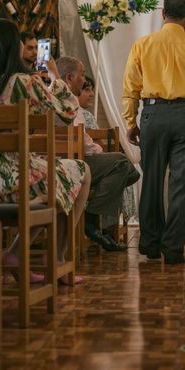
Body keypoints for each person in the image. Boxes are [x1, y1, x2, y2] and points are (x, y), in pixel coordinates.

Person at [0, 19, 91, 285]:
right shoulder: (21, 82)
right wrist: (54, 75)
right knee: (79, 173)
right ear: (10, 46)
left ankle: (17, 253)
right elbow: (65, 113)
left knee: (55, 178)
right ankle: (57, 259)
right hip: (13, 179)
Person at [122, 0, 185, 264]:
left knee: (152, 181)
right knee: (182, 185)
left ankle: (150, 243)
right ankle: (173, 248)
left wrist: (131, 122)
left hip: (154, 114)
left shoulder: (143, 44)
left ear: (162, 13)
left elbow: (131, 88)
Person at [56, 56, 139, 251]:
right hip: (73, 163)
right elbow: (82, 142)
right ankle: (91, 220)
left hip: (61, 161)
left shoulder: (50, 96)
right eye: (82, 75)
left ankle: (93, 223)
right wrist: (101, 152)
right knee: (120, 162)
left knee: (121, 169)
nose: (84, 81)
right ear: (69, 78)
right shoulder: (68, 101)